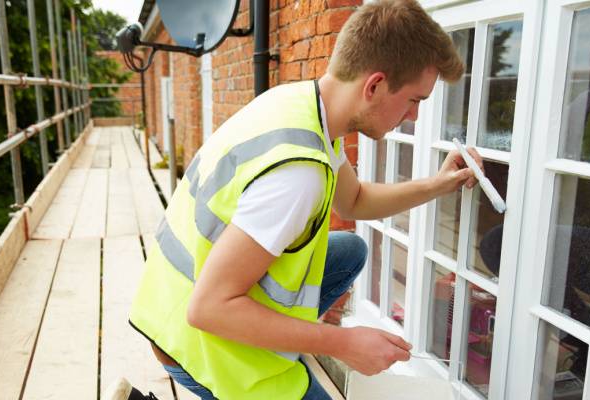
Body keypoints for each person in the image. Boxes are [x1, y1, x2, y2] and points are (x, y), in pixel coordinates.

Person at [128, 1, 484, 399]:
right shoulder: (297, 175)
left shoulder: (304, 106)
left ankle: (271, 333)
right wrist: (343, 344)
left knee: (349, 250)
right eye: (414, 100)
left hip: (171, 301)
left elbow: (356, 201)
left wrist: (437, 184)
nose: (415, 116)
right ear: (375, 85)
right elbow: (208, 309)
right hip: (197, 343)